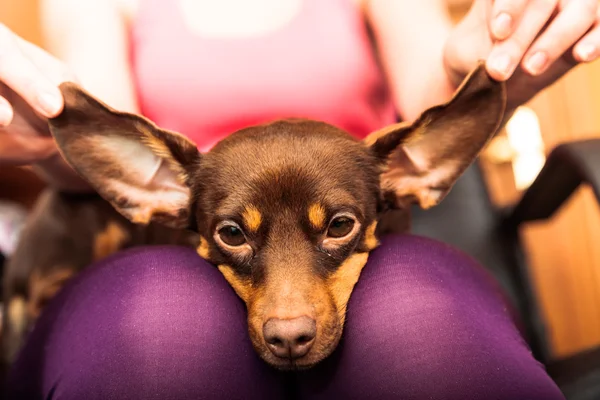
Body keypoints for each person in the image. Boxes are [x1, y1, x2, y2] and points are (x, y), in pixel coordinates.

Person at [1, 0, 597, 398]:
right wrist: (38, 129)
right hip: (173, 246)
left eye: (335, 226)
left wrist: (492, 67)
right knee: (161, 334)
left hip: (377, 217)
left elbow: (432, 99)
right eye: (238, 233)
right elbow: (101, 134)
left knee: (419, 326)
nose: (289, 321)